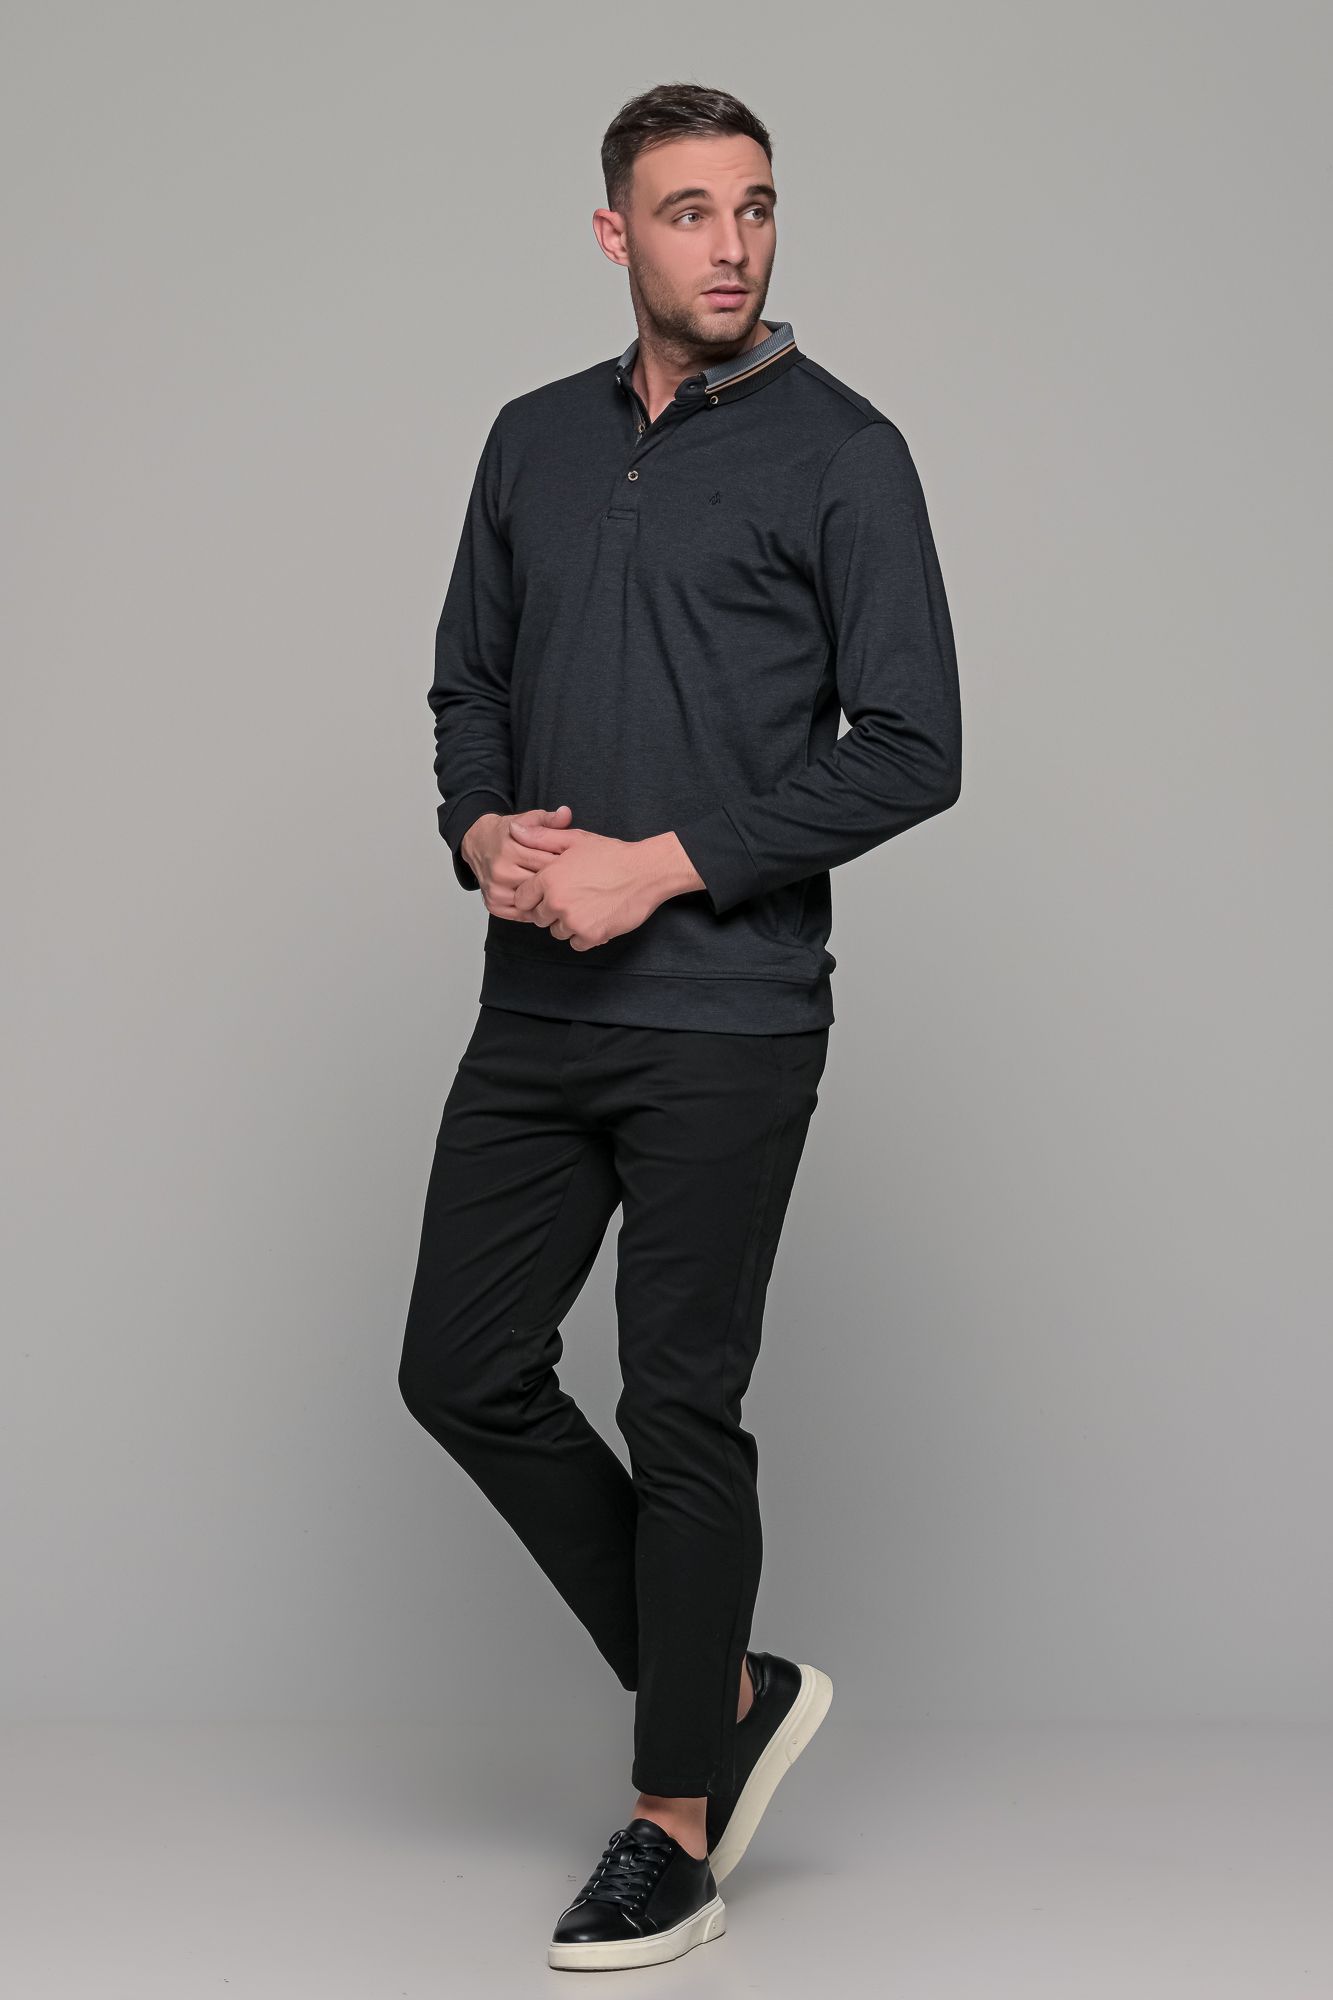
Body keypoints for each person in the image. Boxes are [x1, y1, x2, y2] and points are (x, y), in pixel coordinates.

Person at [398, 78, 963, 1973]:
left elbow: (914, 747)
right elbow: (467, 686)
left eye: (756, 207)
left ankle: (674, 1829)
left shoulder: (844, 453)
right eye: (689, 211)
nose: (731, 246)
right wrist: (480, 829)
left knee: (678, 1402)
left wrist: (664, 865)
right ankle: (719, 1685)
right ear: (612, 234)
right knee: (461, 1366)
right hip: (538, 1000)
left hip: (728, 1014)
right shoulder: (532, 441)